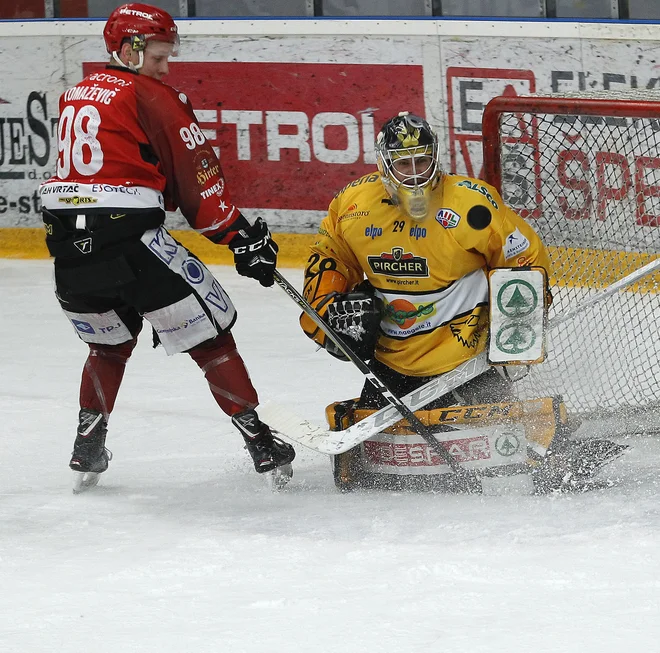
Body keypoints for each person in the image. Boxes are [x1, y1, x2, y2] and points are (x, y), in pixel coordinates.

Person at [300, 111, 626, 492]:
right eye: (403, 164)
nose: (415, 172)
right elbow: (330, 258)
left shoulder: (472, 205)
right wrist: (326, 316)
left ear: (436, 157)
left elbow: (523, 260)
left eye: (422, 160)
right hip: (391, 360)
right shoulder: (353, 205)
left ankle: (561, 449)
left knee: (507, 462)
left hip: (465, 361)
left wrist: (515, 332)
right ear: (383, 164)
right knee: (378, 476)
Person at [40, 3, 294, 490]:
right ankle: (261, 442)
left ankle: (87, 445)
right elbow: (196, 181)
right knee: (212, 337)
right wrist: (239, 236)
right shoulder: (152, 95)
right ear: (130, 49)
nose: (165, 66)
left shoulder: (76, 92)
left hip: (68, 247)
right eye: (158, 55)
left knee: (108, 345)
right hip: (130, 239)